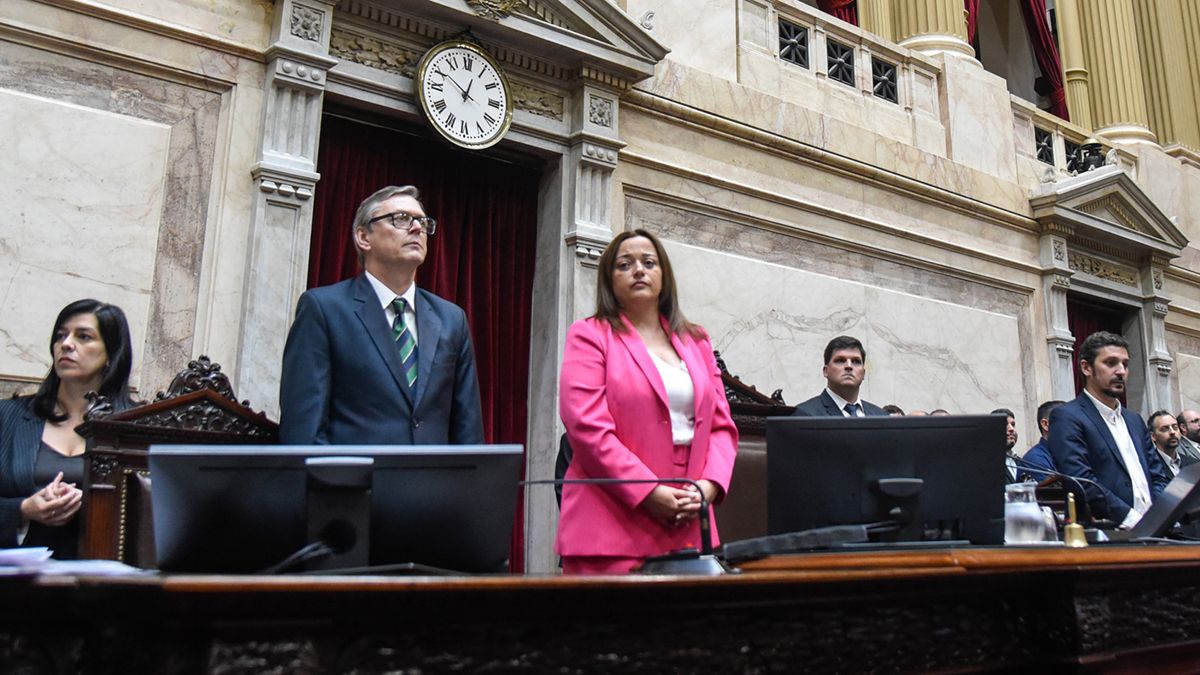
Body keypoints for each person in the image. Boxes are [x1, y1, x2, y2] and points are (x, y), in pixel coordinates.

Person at [557, 229, 738, 574]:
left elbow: (722, 426)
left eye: (649, 262)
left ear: (663, 275)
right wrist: (647, 491)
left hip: (689, 523)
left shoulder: (696, 341)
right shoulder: (590, 334)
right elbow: (586, 427)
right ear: (609, 279)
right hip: (611, 526)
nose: (638, 270)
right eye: (625, 264)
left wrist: (708, 488)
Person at [279, 185, 484, 445]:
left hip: (433, 485)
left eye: (422, 221)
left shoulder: (452, 319)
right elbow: (303, 431)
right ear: (364, 237)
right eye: (401, 219)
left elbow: (469, 432)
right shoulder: (323, 309)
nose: (417, 228)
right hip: (352, 484)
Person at [0, 299, 136, 558]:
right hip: (15, 585)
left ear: (111, 354)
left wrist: (93, 503)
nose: (66, 344)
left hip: (104, 586)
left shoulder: (136, 427)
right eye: (60, 336)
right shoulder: (8, 417)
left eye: (84, 336)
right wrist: (24, 509)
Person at [1049, 331, 1170, 527]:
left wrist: (1157, 518)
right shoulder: (1067, 417)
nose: (1121, 371)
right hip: (1109, 534)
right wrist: (1132, 520)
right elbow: (1082, 481)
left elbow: (1157, 475)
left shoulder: (1134, 420)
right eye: (1111, 363)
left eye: (1125, 364)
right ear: (1086, 368)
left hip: (1154, 532)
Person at [791, 336, 887, 417]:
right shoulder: (803, 414)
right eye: (840, 360)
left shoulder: (881, 416)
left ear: (863, 373)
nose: (849, 366)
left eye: (856, 361)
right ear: (825, 371)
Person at [1019, 400, 1064, 481]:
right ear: (1045, 424)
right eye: (1068, 422)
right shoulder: (1034, 460)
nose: (1074, 427)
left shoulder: (1071, 453)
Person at [1147, 410, 1193, 478]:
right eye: (1165, 429)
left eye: (1175, 428)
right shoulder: (1149, 465)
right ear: (1153, 436)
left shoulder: (1193, 463)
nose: (1172, 432)